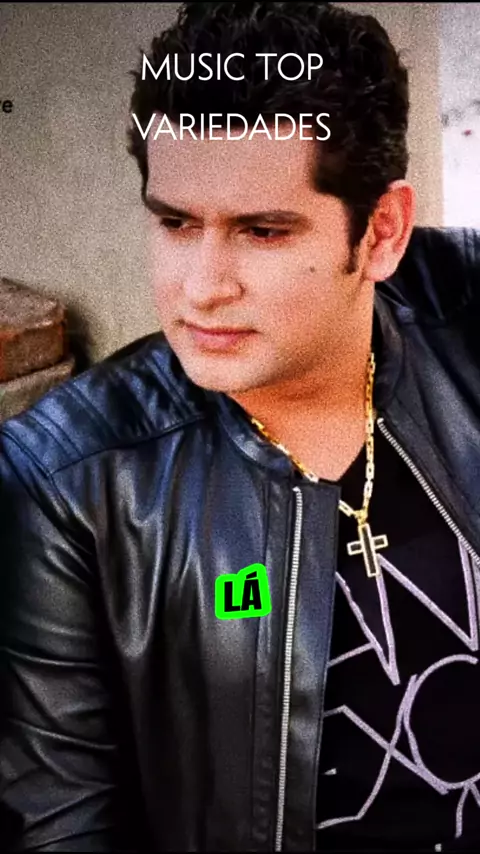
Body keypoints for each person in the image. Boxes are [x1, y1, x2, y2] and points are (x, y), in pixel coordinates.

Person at [1, 1, 480, 850]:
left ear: (381, 232)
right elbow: (62, 826)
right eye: (175, 222)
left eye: (261, 231)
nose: (201, 287)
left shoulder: (462, 319)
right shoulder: (69, 487)